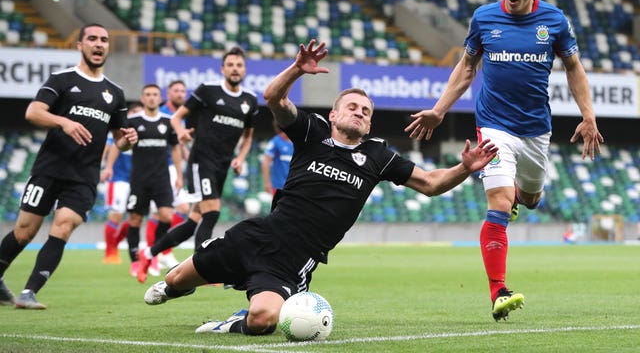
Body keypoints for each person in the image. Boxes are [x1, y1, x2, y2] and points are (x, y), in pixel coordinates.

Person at [141, 39, 498, 336]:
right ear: (333, 114)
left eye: (366, 111)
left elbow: (432, 183)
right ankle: (179, 287)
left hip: (291, 262)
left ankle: (229, 325)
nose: (359, 113)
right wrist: (296, 68)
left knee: (263, 320)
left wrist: (464, 168)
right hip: (254, 235)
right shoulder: (311, 132)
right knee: (173, 280)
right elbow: (273, 98)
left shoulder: (378, 155)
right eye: (352, 107)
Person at [404, 0, 604, 322]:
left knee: (529, 199)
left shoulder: (554, 21)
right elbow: (466, 68)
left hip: (536, 131)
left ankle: (519, 194)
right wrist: (438, 109)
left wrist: (588, 116)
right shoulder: (483, 18)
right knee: (499, 203)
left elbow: (574, 69)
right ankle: (499, 291)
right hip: (493, 126)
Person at [0, 23, 138, 309]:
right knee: (25, 231)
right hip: (49, 168)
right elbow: (33, 111)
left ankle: (29, 292)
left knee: (62, 227)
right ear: (80, 45)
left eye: (104, 40)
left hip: (84, 176)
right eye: (92, 39)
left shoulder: (115, 92)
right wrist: (63, 121)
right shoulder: (62, 79)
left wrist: (129, 141)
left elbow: (120, 141)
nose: (99, 44)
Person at [136, 46, 259, 282]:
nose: (235, 69)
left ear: (244, 70)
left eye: (239, 65)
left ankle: (148, 253)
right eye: (231, 65)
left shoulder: (250, 100)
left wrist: (240, 158)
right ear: (223, 69)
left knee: (194, 221)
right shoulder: (208, 91)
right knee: (212, 212)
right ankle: (202, 269)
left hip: (223, 166)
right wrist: (181, 132)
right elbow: (176, 117)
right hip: (202, 160)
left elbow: (248, 137)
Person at [122, 84, 182, 282]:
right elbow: (121, 144)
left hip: (161, 179)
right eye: (147, 94)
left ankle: (150, 254)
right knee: (135, 220)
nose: (151, 98)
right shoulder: (132, 121)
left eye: (155, 94)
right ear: (142, 97)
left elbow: (175, 148)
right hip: (139, 179)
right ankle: (135, 262)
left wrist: (180, 174)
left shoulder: (167, 121)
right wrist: (126, 143)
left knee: (167, 216)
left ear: (160, 98)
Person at [146, 80, 191, 271]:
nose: (180, 94)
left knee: (182, 207)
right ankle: (151, 257)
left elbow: (178, 143)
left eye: (183, 91)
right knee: (157, 212)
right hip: (158, 168)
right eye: (176, 91)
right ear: (168, 93)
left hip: (174, 167)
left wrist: (187, 157)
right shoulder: (161, 113)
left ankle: (164, 251)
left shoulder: (182, 116)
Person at [100, 101, 143, 264]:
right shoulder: (120, 131)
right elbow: (108, 147)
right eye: (136, 113)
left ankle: (116, 243)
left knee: (134, 217)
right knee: (115, 215)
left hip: (136, 180)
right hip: (118, 179)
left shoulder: (142, 132)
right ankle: (110, 253)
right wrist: (106, 167)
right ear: (130, 114)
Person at [260, 120, 293, 194]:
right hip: (279, 186)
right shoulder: (275, 142)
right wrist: (267, 182)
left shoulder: (296, 143)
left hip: (293, 186)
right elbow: (265, 162)